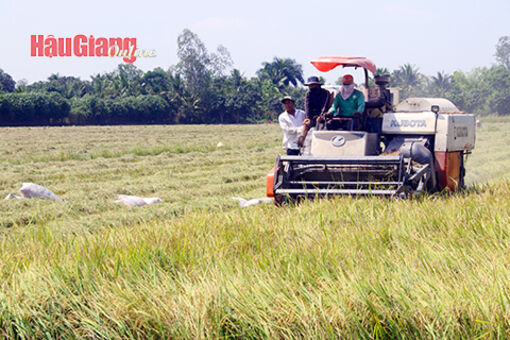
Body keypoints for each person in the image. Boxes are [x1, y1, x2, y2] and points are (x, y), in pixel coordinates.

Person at [298, 76, 332, 147]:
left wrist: (322, 116)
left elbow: (325, 105)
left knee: (329, 125)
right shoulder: (308, 94)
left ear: (317, 85)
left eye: (313, 85)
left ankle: (327, 144)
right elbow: (307, 106)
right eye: (310, 86)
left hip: (325, 116)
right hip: (313, 117)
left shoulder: (326, 93)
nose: (311, 87)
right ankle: (301, 142)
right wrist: (308, 117)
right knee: (306, 124)